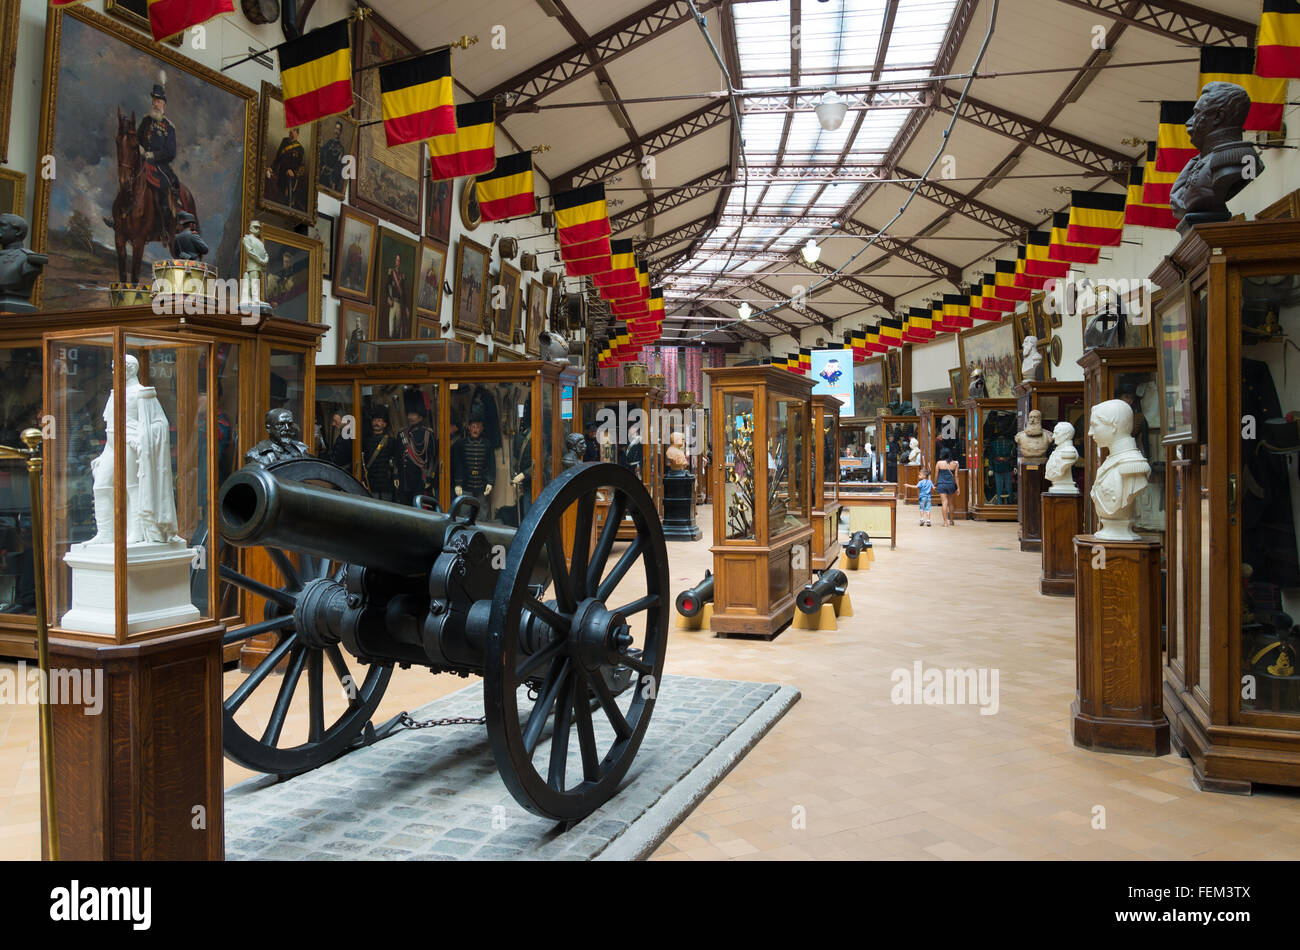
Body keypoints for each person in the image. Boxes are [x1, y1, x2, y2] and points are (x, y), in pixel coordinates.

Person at [138, 72, 180, 238]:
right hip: (142, 162)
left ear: (164, 105)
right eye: (154, 100)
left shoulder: (169, 127)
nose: (156, 104)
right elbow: (137, 138)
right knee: (128, 180)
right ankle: (119, 217)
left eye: (159, 101)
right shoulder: (145, 121)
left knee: (166, 186)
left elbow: (171, 152)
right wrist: (140, 149)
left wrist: (152, 156)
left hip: (159, 166)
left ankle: (163, 227)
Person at [267, 126, 306, 211]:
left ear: (297, 133)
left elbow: (301, 167)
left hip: (291, 179)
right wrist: (272, 167)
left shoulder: (300, 149)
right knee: (278, 198)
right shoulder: (284, 141)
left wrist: (293, 172)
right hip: (281, 174)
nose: (291, 132)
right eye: (290, 130)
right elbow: (278, 157)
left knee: (287, 202)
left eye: (293, 131)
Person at [319, 119, 347, 194]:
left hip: (330, 178)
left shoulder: (341, 148)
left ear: (340, 132)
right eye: (335, 128)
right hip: (322, 173)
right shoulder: (329, 142)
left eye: (338, 129)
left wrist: (334, 182)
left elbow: (338, 166)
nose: (336, 131)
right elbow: (322, 155)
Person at [935, 446, 960, 527]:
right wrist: (958, 487)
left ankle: (945, 522)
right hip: (951, 485)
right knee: (951, 503)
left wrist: (935, 484)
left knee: (944, 503)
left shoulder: (939, 463)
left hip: (941, 484)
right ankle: (952, 521)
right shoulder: (955, 464)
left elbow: (936, 475)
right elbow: (956, 476)